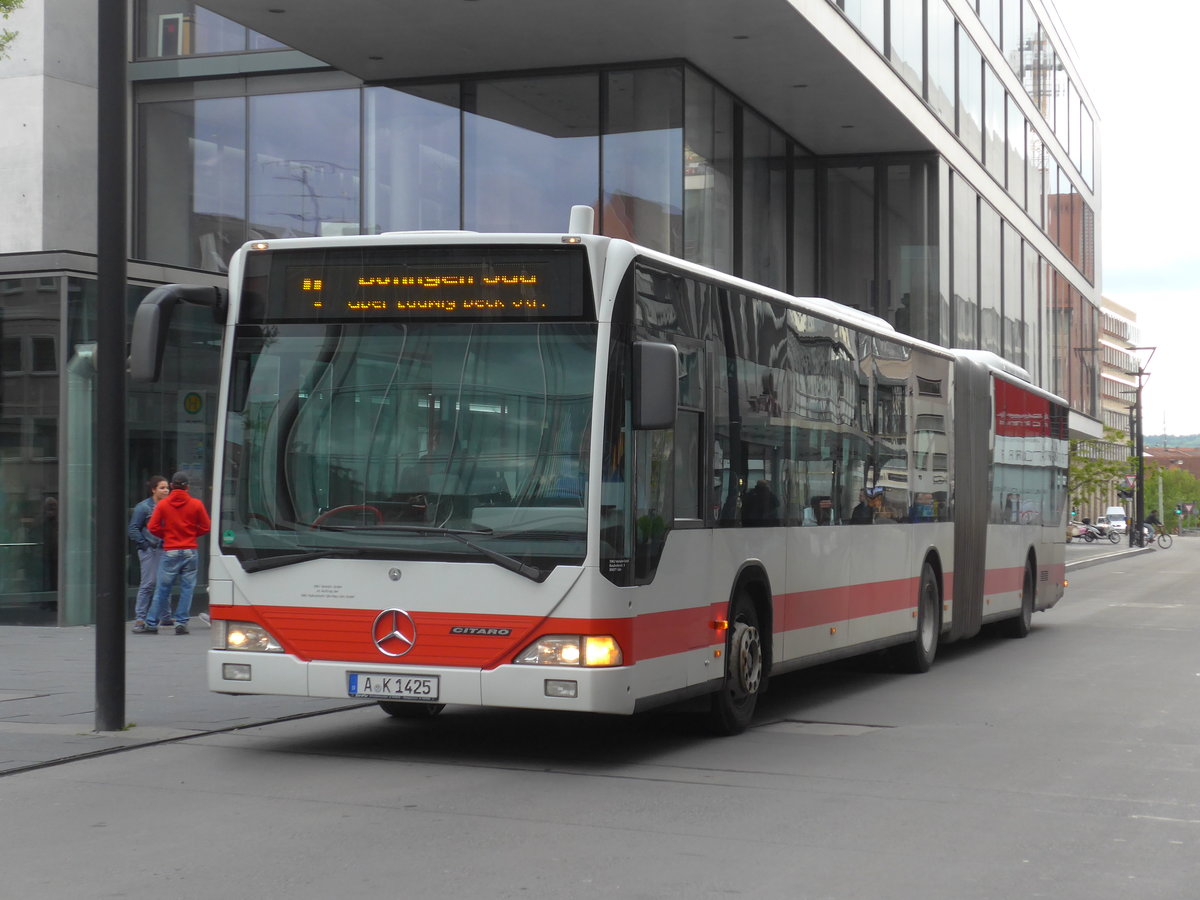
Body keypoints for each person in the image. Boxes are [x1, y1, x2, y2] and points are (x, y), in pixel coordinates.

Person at [139, 471, 210, 635]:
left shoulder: (163, 505)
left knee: (162, 588)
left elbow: (152, 527)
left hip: (170, 549)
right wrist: (192, 534)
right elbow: (206, 526)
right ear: (187, 487)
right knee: (187, 588)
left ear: (171, 486)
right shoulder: (196, 504)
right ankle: (181, 623)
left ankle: (151, 623)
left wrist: (167, 535)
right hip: (189, 550)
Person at [128, 474, 169, 632]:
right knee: (148, 583)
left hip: (164, 548)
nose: (166, 490)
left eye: (167, 487)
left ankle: (165, 616)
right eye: (162, 488)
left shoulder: (168, 506)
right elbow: (133, 528)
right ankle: (140, 617)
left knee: (164, 581)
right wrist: (144, 544)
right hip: (150, 549)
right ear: (154, 490)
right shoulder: (144, 507)